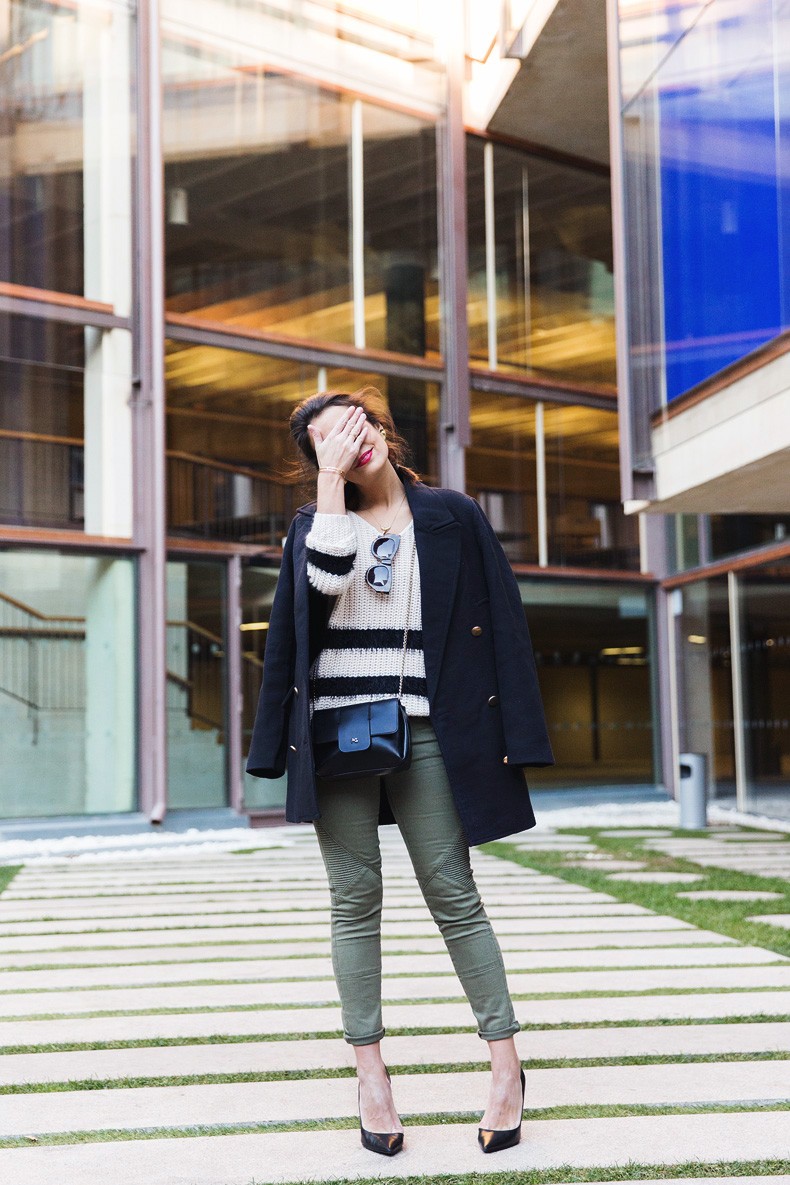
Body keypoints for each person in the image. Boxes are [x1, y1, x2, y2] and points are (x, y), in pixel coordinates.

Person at [247, 386, 554, 1156]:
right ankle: (372, 1076)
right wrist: (329, 489)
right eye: (332, 439)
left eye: (361, 425)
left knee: (454, 892)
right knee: (355, 899)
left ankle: (508, 1068)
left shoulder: (453, 515)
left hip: (425, 730)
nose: (356, 441)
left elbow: (506, 623)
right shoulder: (316, 528)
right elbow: (318, 595)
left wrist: (520, 734)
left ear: (384, 429)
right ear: (320, 459)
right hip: (337, 739)